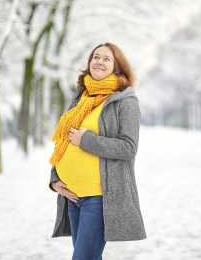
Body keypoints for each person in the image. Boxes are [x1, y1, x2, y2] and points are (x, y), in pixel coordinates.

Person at [48, 43, 147, 260]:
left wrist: (87, 140)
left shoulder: (125, 101)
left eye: (106, 59)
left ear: (117, 67)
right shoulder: (81, 97)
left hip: (99, 196)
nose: (99, 61)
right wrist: (55, 179)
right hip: (72, 196)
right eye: (95, 56)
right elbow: (63, 141)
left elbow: (129, 147)